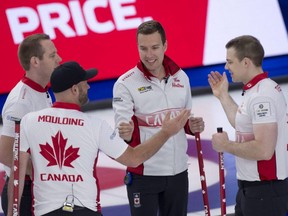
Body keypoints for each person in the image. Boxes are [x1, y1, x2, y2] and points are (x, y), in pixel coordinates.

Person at [6, 61, 191, 216]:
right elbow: (134, 159)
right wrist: (165, 132)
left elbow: (17, 174)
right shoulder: (94, 125)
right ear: (75, 89)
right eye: (85, 83)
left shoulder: (30, 121)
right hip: (85, 209)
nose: (89, 86)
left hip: (45, 211)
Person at [112, 20, 205, 216]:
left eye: (154, 47)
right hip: (144, 176)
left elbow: (184, 118)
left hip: (178, 172)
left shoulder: (182, 78)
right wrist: (126, 134)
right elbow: (125, 133)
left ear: (165, 45)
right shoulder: (125, 83)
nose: (149, 55)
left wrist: (192, 125)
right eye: (143, 48)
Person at [208, 35, 288, 216]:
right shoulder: (255, 90)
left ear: (245, 62)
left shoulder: (262, 96)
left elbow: (264, 151)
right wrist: (223, 96)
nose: (226, 67)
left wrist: (225, 145)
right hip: (251, 190)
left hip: (264, 193)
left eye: (230, 62)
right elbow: (241, 123)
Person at [0, 33, 62, 215]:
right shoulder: (21, 102)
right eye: (52, 56)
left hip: (37, 189)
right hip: (25, 193)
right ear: (35, 61)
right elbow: (4, 152)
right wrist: (42, 173)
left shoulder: (41, 91)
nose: (59, 59)